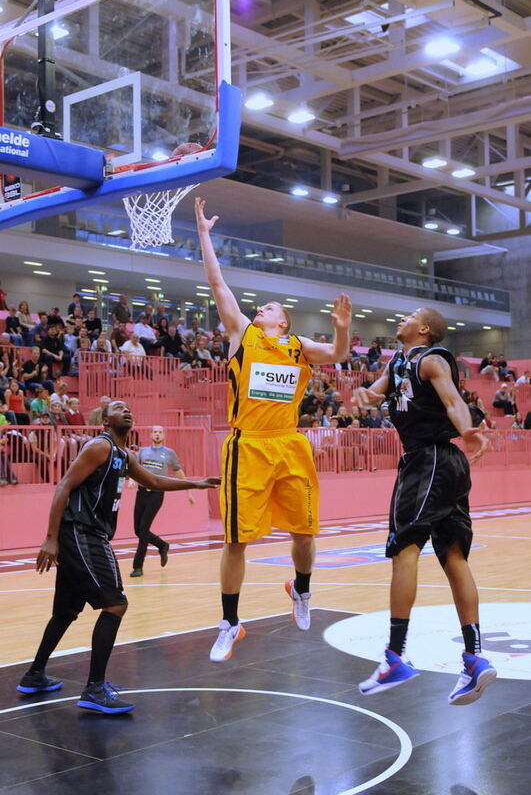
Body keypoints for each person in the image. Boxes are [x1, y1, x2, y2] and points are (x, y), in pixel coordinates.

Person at [194, 197, 352, 662]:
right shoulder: (243, 334)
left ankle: (300, 589)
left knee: (305, 534)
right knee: (236, 540)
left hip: (290, 444)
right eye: (260, 306)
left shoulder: (299, 348)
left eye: (270, 307)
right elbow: (217, 282)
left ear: (283, 322)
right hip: (248, 444)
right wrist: (204, 233)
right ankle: (229, 622)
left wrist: (343, 329)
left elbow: (339, 354)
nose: (261, 307)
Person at [16, 400, 220, 713]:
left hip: (85, 534)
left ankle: (34, 675)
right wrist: (50, 538)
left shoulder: (125, 455)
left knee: (66, 612)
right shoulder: (100, 447)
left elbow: (153, 481)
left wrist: (196, 482)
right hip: (82, 533)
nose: (126, 411)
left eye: (128, 408)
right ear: (106, 421)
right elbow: (63, 487)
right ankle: (94, 688)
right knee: (116, 604)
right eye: (118, 408)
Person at [352, 307, 495, 706]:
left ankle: (395, 656)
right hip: (442, 464)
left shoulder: (431, 360)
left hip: (428, 459)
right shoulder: (398, 362)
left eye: (409, 315)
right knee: (453, 557)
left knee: (404, 549)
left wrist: (467, 429)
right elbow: (377, 390)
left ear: (424, 328)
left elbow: (453, 400)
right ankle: (474, 659)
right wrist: (366, 395)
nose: (400, 318)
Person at [130, 425, 195, 577]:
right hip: (141, 492)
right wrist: (132, 479)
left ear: (163, 435)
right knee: (137, 530)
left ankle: (137, 566)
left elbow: (179, 473)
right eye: (155, 432)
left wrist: (189, 492)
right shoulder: (143, 451)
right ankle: (162, 545)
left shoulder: (169, 453)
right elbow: (134, 468)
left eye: (160, 432)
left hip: (157, 494)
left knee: (144, 530)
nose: (157, 435)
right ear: (151, 434)